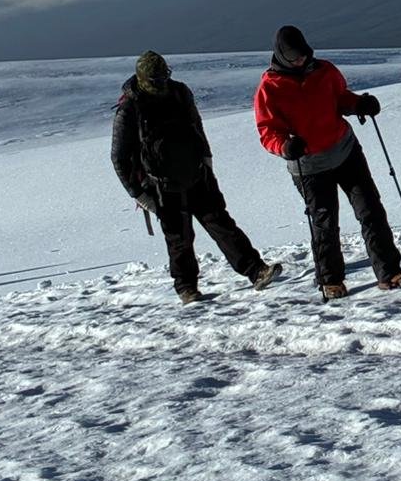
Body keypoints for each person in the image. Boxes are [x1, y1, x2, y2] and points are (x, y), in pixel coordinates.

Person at [254, 25, 401, 301]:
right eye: (293, 58)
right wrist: (284, 145)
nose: (300, 61)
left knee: (371, 210)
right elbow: (267, 131)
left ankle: (389, 272)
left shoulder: (324, 70)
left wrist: (359, 104)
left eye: (303, 55)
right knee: (324, 223)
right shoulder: (269, 88)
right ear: (281, 56)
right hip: (308, 166)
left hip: (345, 150)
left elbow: (340, 98)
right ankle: (330, 280)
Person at [111, 50, 281, 304]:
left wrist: (206, 158)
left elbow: (195, 125)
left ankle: (255, 270)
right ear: (144, 78)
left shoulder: (179, 92)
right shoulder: (130, 108)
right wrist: (139, 194)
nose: (161, 82)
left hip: (196, 174)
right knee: (179, 239)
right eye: (156, 79)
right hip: (161, 186)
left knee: (222, 225)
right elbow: (119, 158)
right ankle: (186, 288)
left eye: (164, 76)